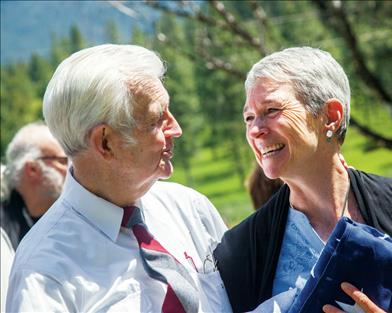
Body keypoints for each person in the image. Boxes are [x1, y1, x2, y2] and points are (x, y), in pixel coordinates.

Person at [214, 47, 392, 312]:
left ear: (331, 117)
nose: (256, 130)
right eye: (249, 117)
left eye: (271, 110)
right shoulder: (240, 250)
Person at [6, 44, 229, 312]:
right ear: (105, 142)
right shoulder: (44, 270)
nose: (177, 129)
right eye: (157, 120)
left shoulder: (190, 209)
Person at [1, 122, 67, 250]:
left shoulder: (71, 219)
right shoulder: (3, 227)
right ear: (32, 169)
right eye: (63, 161)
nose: (70, 168)